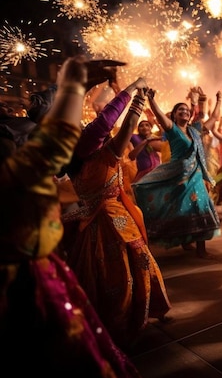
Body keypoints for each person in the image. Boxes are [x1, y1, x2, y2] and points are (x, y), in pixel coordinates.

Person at [0, 55, 141, 376]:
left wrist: (77, 87)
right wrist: (82, 86)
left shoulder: (43, 165)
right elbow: (100, 125)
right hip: (31, 284)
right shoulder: (80, 150)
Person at [61, 77, 172, 349]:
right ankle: (130, 318)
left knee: (97, 274)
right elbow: (126, 125)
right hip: (116, 222)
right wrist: (137, 91)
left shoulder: (73, 166)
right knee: (134, 266)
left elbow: (111, 126)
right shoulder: (104, 156)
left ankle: (104, 320)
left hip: (90, 224)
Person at [132, 87, 221, 258]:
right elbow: (159, 116)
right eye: (181, 109)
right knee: (180, 210)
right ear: (174, 115)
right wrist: (151, 100)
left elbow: (214, 118)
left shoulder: (196, 131)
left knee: (200, 206)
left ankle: (201, 249)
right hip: (177, 177)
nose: (185, 111)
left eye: (187, 110)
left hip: (195, 177)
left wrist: (218, 100)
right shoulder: (172, 130)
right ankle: (184, 240)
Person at [128, 116, 163, 182]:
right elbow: (131, 156)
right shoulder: (134, 137)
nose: (144, 127)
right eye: (141, 126)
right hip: (144, 173)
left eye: (147, 125)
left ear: (150, 128)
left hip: (157, 171)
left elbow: (165, 136)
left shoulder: (154, 137)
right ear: (138, 129)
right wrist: (145, 141)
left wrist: (156, 123)